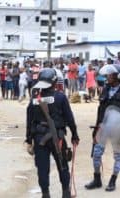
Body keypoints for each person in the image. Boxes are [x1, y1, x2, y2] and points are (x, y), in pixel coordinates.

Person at [26, 68, 80, 198]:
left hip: (39, 138)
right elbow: (69, 118)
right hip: (58, 137)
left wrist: (29, 140)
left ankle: (45, 194)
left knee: (42, 169)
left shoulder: (34, 99)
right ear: (54, 82)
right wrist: (74, 134)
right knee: (63, 166)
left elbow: (29, 121)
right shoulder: (60, 97)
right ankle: (66, 193)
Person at [85, 64, 120, 192]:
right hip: (103, 127)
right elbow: (100, 109)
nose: (107, 77)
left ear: (117, 76)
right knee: (96, 154)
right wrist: (97, 127)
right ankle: (97, 179)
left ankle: (113, 180)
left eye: (110, 75)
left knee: (118, 156)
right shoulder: (105, 89)